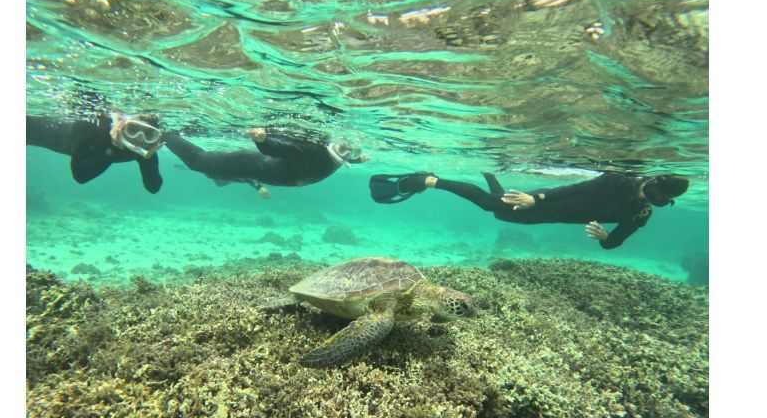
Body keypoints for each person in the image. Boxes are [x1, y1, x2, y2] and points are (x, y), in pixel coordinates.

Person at [370, 170, 689, 249]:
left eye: (657, 201)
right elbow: (574, 189)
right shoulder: (618, 181)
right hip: (546, 201)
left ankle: (495, 183)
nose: (647, 200)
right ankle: (430, 180)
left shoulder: (639, 214)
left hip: (548, 215)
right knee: (488, 205)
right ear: (647, 179)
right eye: (649, 190)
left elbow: (615, 241)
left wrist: (605, 237)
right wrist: (536, 199)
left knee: (499, 212)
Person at [164, 127, 368, 198]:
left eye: (351, 152)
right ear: (333, 145)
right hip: (250, 164)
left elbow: (341, 157)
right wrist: (262, 140)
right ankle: (164, 134)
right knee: (197, 162)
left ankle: (216, 174)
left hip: (258, 171)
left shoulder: (335, 159)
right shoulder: (315, 151)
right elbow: (284, 149)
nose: (347, 154)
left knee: (213, 172)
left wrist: (357, 159)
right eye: (344, 149)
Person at [26, 111, 164, 193]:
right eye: (132, 129)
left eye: (149, 134)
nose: (138, 139)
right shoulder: (96, 131)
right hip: (40, 131)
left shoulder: (144, 148)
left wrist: (148, 160)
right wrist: (113, 149)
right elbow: (80, 175)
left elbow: (153, 188)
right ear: (121, 125)